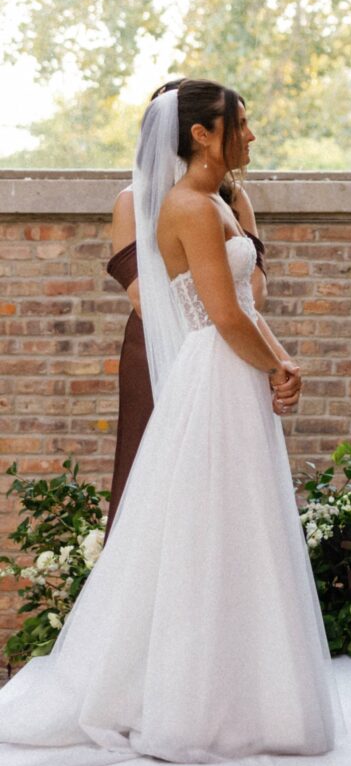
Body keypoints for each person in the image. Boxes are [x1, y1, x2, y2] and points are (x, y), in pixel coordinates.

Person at [0, 80, 341, 766]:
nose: (249, 136)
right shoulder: (186, 206)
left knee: (242, 529)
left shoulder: (219, 201)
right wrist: (275, 365)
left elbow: (250, 299)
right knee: (201, 531)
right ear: (201, 135)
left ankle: (251, 696)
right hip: (213, 375)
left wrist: (281, 362)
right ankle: (187, 701)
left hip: (231, 376)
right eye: (238, 125)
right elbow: (220, 314)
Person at [105, 79, 267, 536]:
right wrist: (208, 331)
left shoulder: (231, 198)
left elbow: (254, 287)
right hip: (159, 344)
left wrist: (229, 325)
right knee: (151, 476)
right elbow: (144, 297)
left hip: (224, 341)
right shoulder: (132, 203)